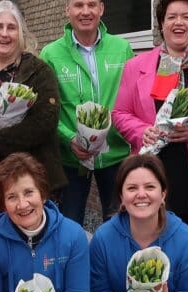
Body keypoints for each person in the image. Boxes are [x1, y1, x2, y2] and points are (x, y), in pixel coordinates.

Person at [112, 0, 188, 253]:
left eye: (187, 17)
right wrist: (140, 131)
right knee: (152, 246)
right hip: (152, 172)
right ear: (162, 24)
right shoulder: (137, 66)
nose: (179, 23)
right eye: (171, 17)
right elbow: (120, 113)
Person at [0, 0, 66, 231]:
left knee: (35, 241)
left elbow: (44, 122)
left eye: (11, 27)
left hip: (29, 181)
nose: (4, 34)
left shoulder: (38, 71)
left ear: (21, 34)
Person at [87, 154, 188, 292]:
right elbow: (97, 291)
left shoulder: (186, 238)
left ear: (163, 194)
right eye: (132, 188)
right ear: (122, 196)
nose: (141, 194)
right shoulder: (104, 237)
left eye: (150, 187)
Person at [39, 0, 134, 226]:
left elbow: (133, 99)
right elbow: (45, 108)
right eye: (78, 5)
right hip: (71, 158)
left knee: (121, 223)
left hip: (116, 155)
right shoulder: (50, 54)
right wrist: (69, 138)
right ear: (67, 10)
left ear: (101, 9)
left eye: (91, 4)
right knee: (68, 225)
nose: (85, 11)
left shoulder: (122, 49)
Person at [0, 153, 90, 292]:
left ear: (43, 193)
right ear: (3, 204)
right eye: (12, 197)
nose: (22, 204)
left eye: (29, 192)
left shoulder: (73, 235)